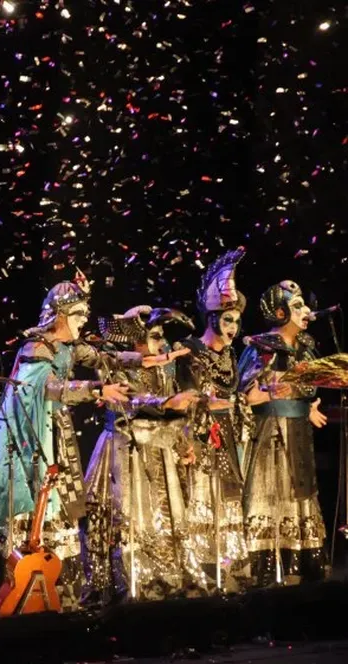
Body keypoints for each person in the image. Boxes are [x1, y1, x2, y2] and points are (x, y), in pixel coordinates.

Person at [0, 271, 185, 611]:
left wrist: (154, 358)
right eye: (78, 314)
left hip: (54, 431)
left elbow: (107, 358)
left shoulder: (69, 346)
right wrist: (96, 390)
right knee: (28, 509)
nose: (84, 320)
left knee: (56, 506)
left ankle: (55, 591)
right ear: (60, 316)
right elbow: (46, 388)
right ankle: (17, 590)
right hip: (28, 437)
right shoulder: (36, 347)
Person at [83, 306, 208, 602]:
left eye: (161, 337)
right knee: (130, 517)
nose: (161, 344)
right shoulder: (114, 367)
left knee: (165, 517)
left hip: (159, 449)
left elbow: (170, 411)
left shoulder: (164, 371)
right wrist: (166, 402)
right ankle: (132, 581)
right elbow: (128, 402)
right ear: (134, 343)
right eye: (153, 337)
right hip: (127, 451)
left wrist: (182, 443)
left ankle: (166, 577)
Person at [239, 281, 330, 586]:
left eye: (305, 305)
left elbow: (310, 388)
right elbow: (246, 396)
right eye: (297, 306)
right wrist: (273, 392)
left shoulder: (305, 346)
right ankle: (266, 567)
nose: (306, 311)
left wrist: (310, 406)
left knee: (301, 492)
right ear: (280, 313)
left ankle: (301, 563)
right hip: (271, 433)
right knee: (272, 491)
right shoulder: (263, 347)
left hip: (299, 431)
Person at [173, 249, 251, 592]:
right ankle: (201, 568)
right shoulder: (189, 349)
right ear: (212, 318)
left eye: (236, 320)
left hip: (228, 433)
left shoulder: (230, 354)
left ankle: (228, 565)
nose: (233, 327)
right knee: (201, 498)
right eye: (227, 319)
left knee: (229, 498)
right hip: (199, 435)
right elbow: (190, 396)